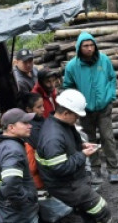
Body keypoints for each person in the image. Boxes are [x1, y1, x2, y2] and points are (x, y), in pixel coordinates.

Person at [36, 89, 111, 223]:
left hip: (72, 178)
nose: (77, 119)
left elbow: (68, 143)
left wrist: (81, 145)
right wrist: (82, 155)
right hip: (64, 185)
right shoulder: (52, 137)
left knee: (88, 211)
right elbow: (60, 167)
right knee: (101, 209)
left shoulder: (62, 123)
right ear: (66, 113)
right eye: (76, 116)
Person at [62, 32, 118, 184]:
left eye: (91, 45)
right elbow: (68, 86)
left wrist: (110, 96)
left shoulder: (104, 60)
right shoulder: (72, 66)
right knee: (90, 139)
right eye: (85, 46)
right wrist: (75, 104)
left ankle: (113, 169)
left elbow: (112, 78)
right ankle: (95, 168)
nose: (89, 48)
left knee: (107, 137)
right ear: (79, 48)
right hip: (85, 110)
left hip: (103, 107)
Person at [0, 86, 39, 223]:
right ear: (11, 127)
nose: (30, 126)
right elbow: (10, 185)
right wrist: (28, 199)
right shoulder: (13, 151)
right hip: (19, 216)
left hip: (1, 213)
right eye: (25, 123)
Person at [18, 92, 73, 223]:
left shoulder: (41, 121)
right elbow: (32, 166)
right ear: (28, 110)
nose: (43, 109)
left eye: (43, 106)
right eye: (39, 107)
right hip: (42, 181)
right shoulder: (30, 131)